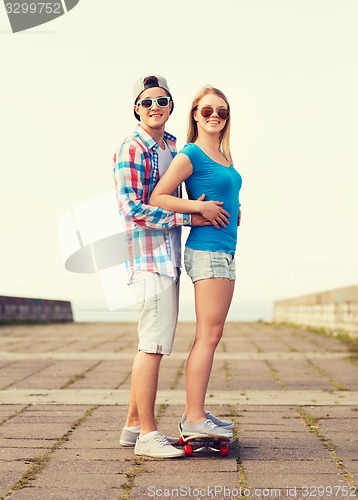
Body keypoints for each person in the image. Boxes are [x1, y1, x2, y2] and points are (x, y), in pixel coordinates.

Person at [112, 75, 229, 458]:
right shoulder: (132, 148)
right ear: (136, 108)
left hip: (171, 255)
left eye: (163, 101)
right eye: (147, 102)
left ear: (172, 107)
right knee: (153, 344)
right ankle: (147, 436)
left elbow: (186, 194)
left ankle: (132, 425)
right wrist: (192, 217)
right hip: (149, 257)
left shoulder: (172, 146)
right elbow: (133, 209)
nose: (155, 107)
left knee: (155, 340)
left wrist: (213, 207)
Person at [150, 86, 242, 439]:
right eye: (207, 111)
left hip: (226, 248)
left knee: (212, 335)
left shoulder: (222, 154)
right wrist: (198, 208)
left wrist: (236, 209)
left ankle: (198, 411)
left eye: (221, 111)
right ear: (195, 115)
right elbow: (159, 196)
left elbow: (226, 192)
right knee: (208, 335)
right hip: (207, 250)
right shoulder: (190, 153)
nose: (215, 116)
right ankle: (192, 418)